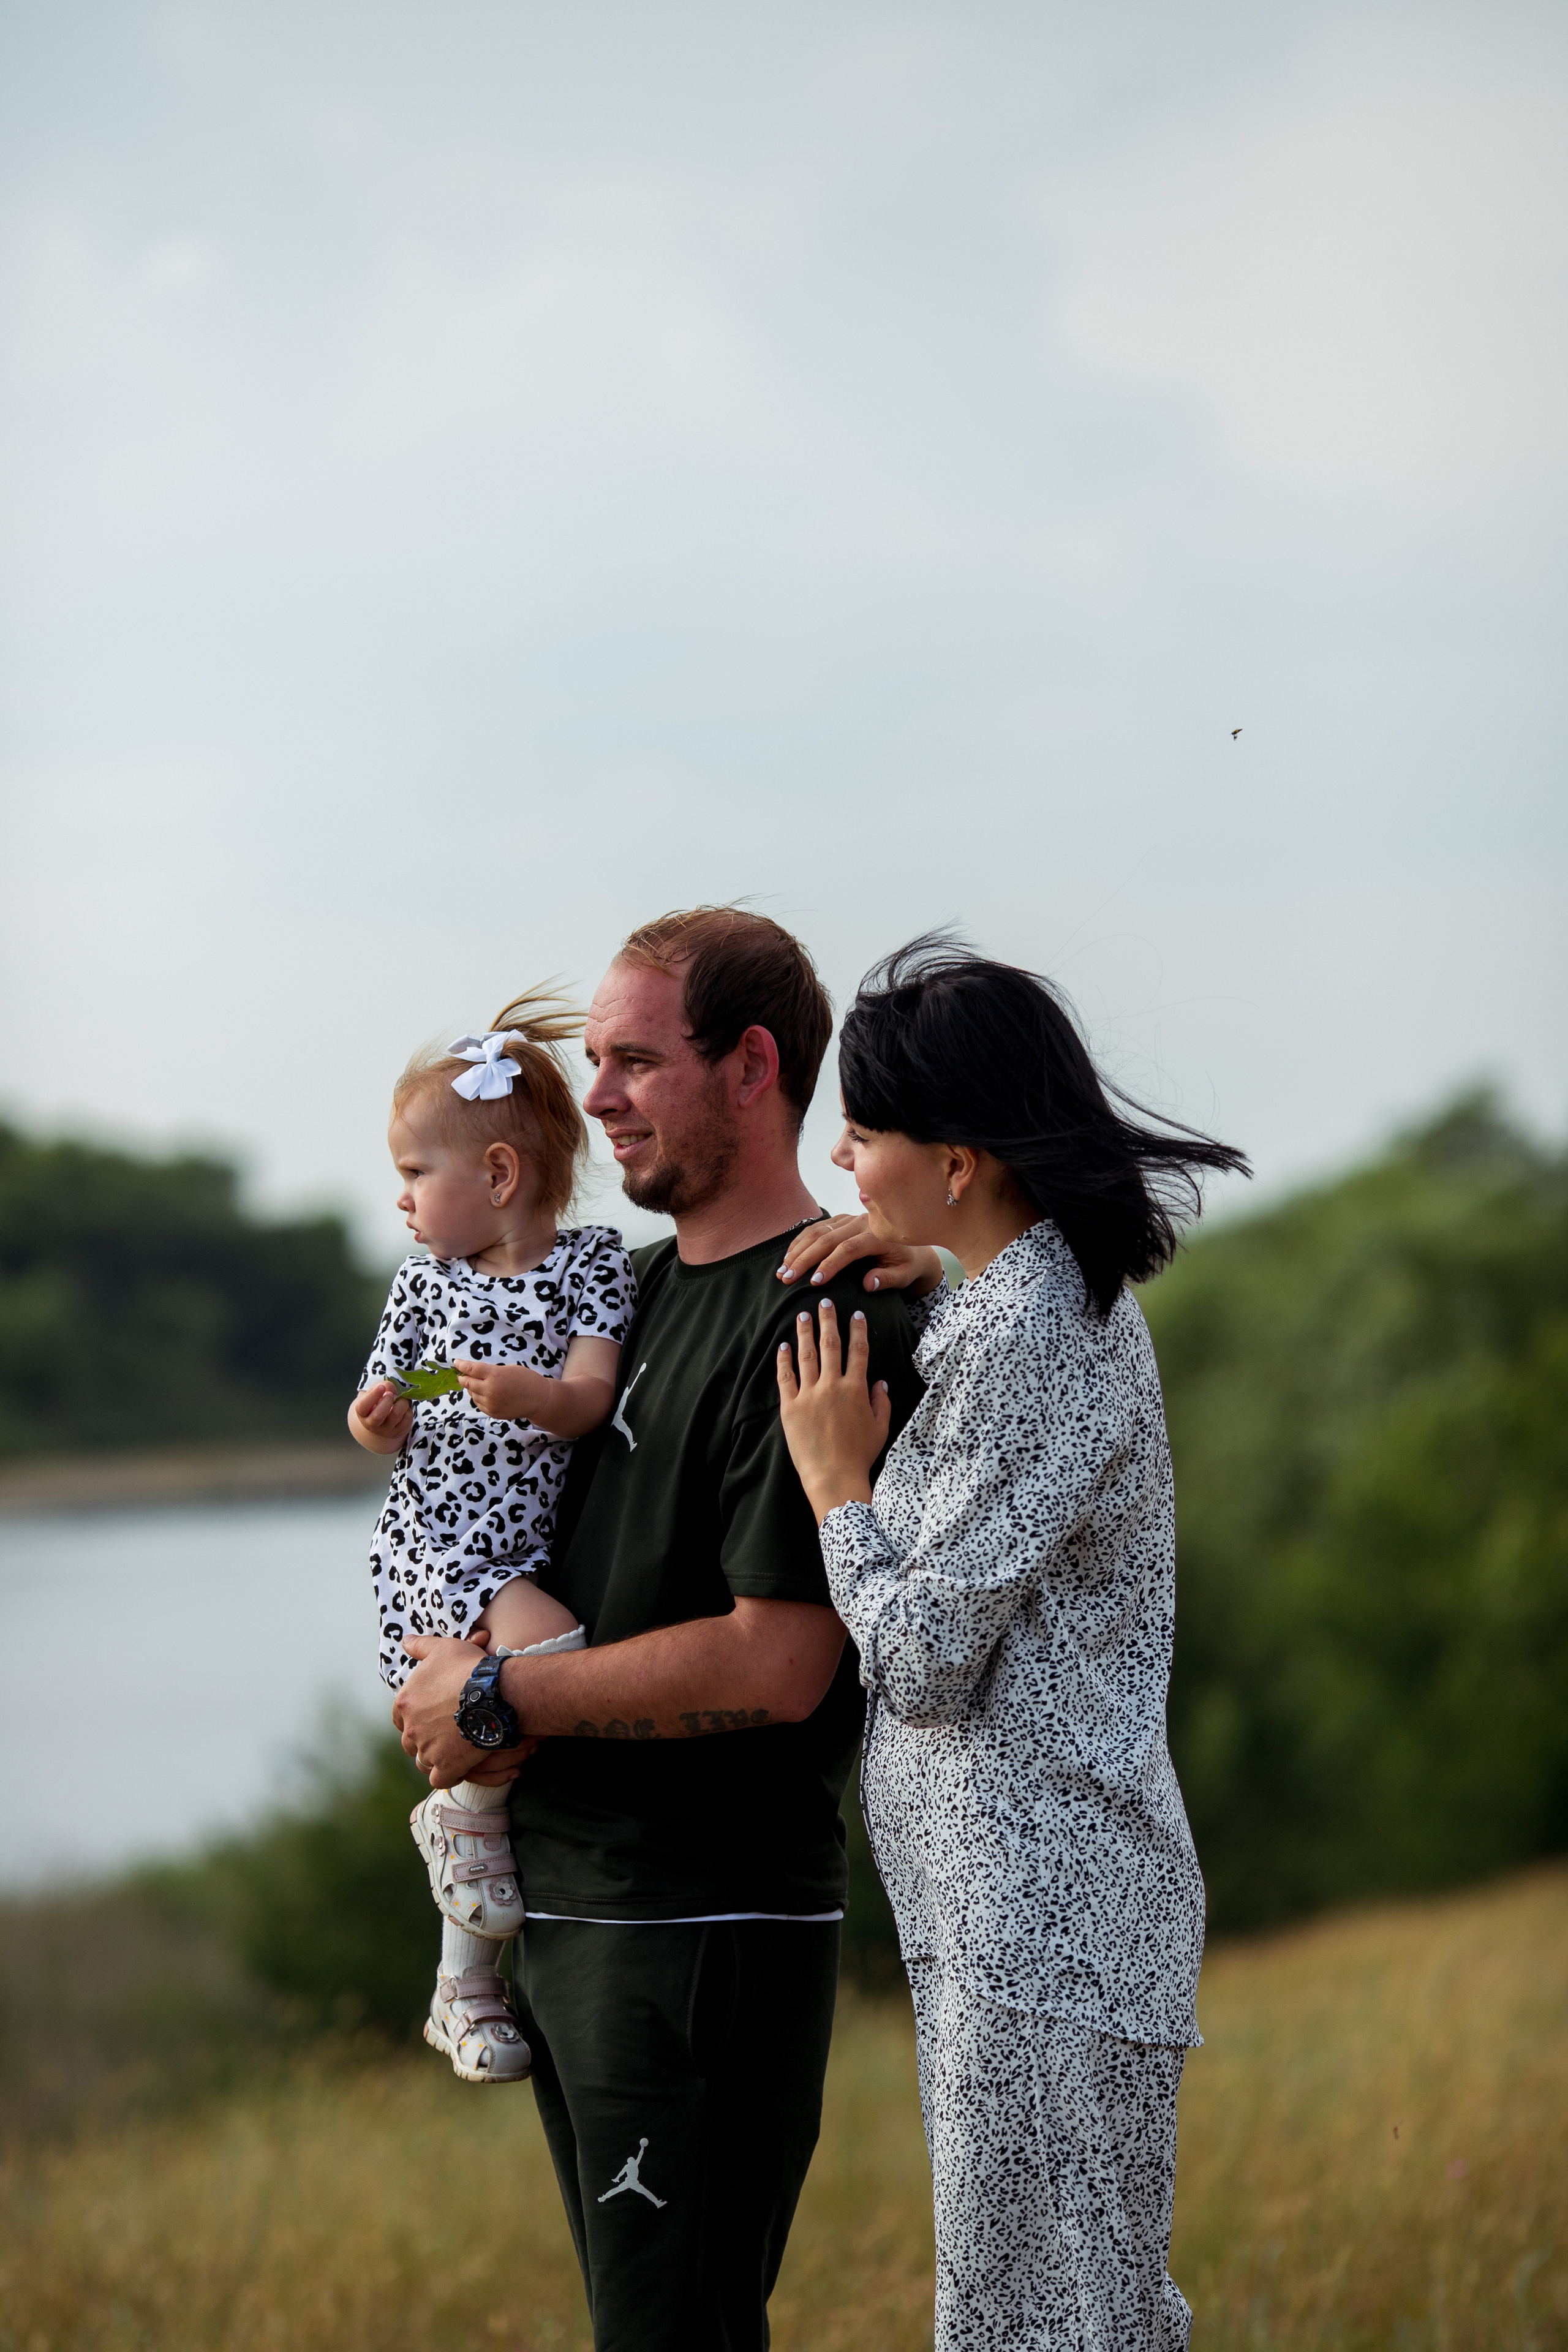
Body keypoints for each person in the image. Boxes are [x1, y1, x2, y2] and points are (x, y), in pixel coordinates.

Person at [391, 908, 924, 2352]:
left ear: (750, 1068)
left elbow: (780, 1659)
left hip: (698, 1928)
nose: (600, 1097)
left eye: (633, 1061)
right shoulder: (616, 1296)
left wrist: (495, 1697)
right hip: (573, 1912)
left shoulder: (822, 1316)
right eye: (593, 1064)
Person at [774, 934, 1249, 2352]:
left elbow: (922, 1659)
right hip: (1015, 1924)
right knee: (1030, 2318)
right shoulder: (1016, 1307)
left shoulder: (1039, 1331)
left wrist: (836, 1490)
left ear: (960, 1154)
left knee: (1065, 2328)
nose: (844, 1165)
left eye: (862, 1136)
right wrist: (929, 1257)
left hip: (1047, 1922)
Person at [349, 991, 636, 2083]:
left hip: (517, 1544)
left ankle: (461, 1985)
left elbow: (589, 1399)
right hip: (437, 1548)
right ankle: (464, 1818)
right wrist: (377, 1421)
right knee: (551, 1658)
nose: (404, 1201)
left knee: (524, 1705)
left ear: (502, 1177)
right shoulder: (426, 1286)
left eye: (419, 1175)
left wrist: (533, 1396)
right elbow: (401, 1397)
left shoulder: (593, 1267)